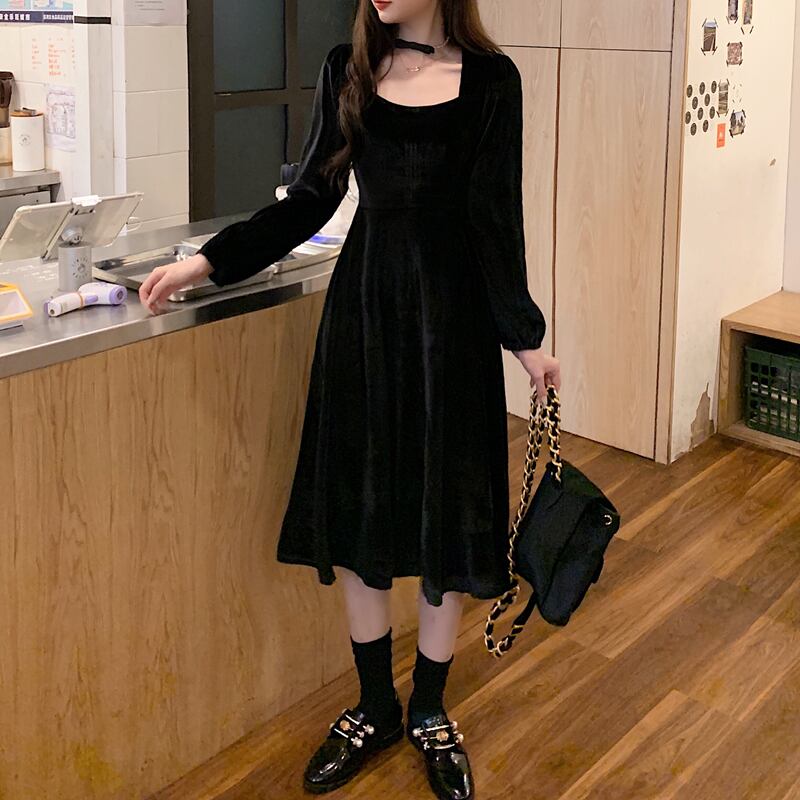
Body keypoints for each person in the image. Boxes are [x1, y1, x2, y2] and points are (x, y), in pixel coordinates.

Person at [139, 1, 561, 797]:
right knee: (362, 508)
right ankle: (374, 704)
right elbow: (308, 199)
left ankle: (429, 708)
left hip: (454, 329)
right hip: (365, 319)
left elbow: (494, 219)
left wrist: (525, 335)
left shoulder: (493, 82)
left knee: (447, 513)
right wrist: (208, 262)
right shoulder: (349, 67)